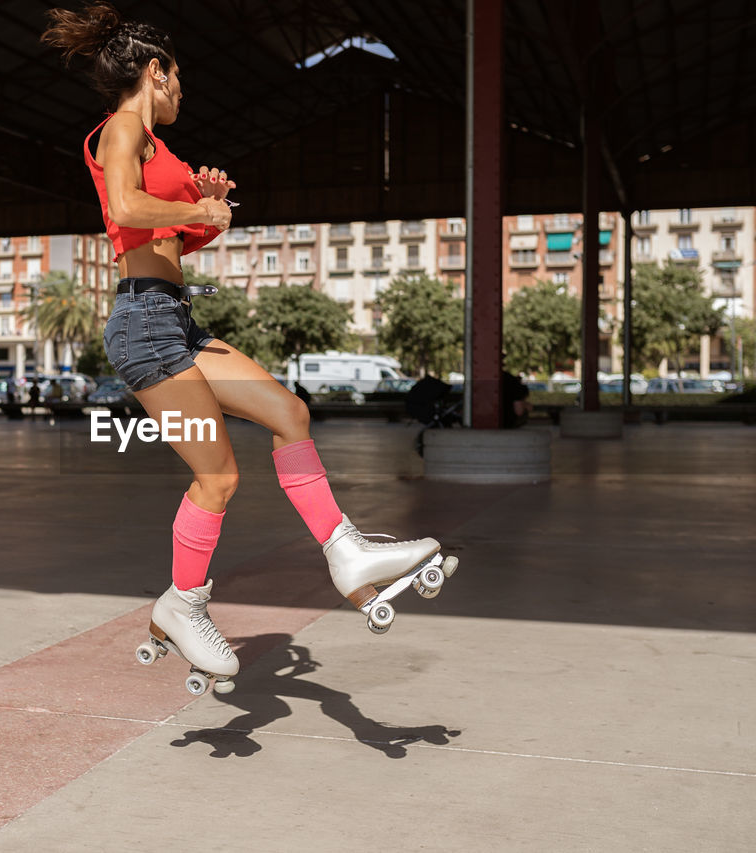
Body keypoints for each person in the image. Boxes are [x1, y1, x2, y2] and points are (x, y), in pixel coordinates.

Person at [42, 3, 450, 694]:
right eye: (177, 78)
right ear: (154, 71)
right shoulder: (121, 129)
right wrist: (195, 209)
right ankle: (183, 603)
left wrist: (210, 212)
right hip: (144, 326)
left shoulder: (158, 147)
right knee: (219, 477)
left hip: (176, 321)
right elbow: (125, 210)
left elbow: (164, 236)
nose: (182, 91)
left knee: (289, 412)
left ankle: (346, 552)